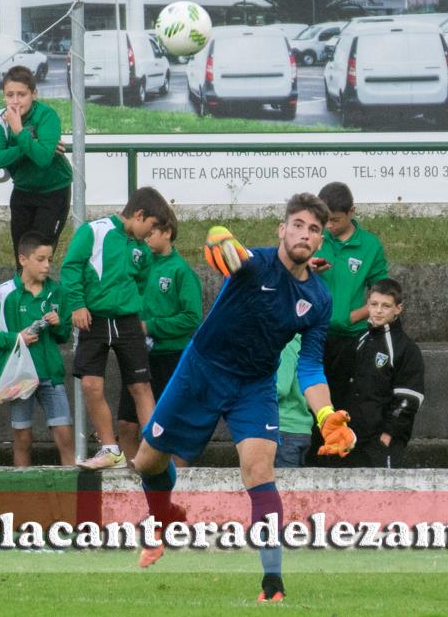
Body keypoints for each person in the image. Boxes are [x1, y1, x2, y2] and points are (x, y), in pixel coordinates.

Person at [132, 194, 357, 603]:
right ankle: (162, 516)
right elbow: (223, 248)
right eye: (299, 224)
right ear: (282, 229)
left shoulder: (319, 300)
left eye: (314, 230)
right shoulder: (255, 263)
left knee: (259, 471)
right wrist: (219, 238)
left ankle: (273, 583)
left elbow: (309, 367)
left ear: (321, 242)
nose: (305, 234)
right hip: (201, 371)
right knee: (147, 462)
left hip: (254, 385)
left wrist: (326, 415)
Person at [60, 187, 171, 470]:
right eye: (151, 227)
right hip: (93, 320)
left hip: (128, 321)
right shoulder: (93, 231)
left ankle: (153, 449)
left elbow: (143, 280)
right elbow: (71, 268)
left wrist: (131, 303)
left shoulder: (141, 248)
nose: (150, 235)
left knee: (141, 386)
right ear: (138, 214)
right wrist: (77, 304)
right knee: (90, 384)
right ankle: (111, 450)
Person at [0, 232, 74, 466]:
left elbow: (64, 335)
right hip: (20, 376)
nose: (47, 265)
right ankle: (22, 490)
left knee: (64, 433)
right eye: (40, 259)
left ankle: (73, 492)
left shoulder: (57, 292)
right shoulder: (4, 294)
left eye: (49, 259)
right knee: (22, 436)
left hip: (51, 373)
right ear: (23, 260)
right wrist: (16, 337)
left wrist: (58, 324)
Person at [116, 210, 202, 462]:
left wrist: (149, 326)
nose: (146, 236)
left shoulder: (181, 271)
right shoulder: (139, 262)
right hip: (137, 354)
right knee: (127, 424)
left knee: (170, 425)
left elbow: (191, 318)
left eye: (152, 231)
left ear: (167, 233)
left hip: (171, 357)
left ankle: (177, 483)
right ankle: (134, 485)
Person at [328, 279, 424, 469]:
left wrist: (388, 434)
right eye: (374, 304)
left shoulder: (406, 348)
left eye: (386, 306)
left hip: (380, 442)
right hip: (350, 437)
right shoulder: (360, 340)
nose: (379, 310)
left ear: (398, 309)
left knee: (382, 497)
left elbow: (409, 398)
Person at [0, 65, 71, 262]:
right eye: (9, 95)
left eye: (21, 95)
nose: (15, 101)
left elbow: (43, 159)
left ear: (34, 94)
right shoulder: (0, 119)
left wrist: (19, 132)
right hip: (23, 190)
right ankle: (22, 291)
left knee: (41, 253)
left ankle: (41, 292)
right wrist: (31, 143)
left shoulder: (46, 115)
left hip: (54, 190)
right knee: (22, 255)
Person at [313, 182, 389, 403]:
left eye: (335, 220)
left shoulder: (369, 245)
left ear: (352, 212)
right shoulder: (313, 236)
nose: (328, 226)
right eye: (324, 219)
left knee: (344, 401)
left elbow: (383, 293)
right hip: (313, 334)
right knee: (313, 401)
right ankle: (316, 440)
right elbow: (287, 271)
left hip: (351, 337)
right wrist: (307, 265)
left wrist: (352, 317)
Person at [273, 335, 313, 468]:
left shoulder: (285, 346)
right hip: (300, 429)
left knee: (280, 487)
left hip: (283, 428)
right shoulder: (303, 344)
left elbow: (280, 388)